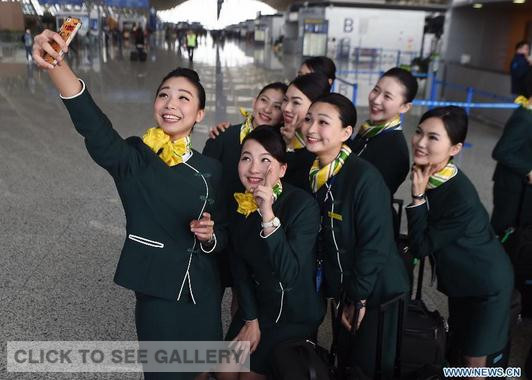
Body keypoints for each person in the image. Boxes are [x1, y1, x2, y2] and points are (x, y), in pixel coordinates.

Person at [33, 30, 227, 380]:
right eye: (164, 95)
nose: (171, 104)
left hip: (204, 290)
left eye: (184, 98)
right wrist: (56, 65)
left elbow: (226, 232)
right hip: (159, 290)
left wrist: (210, 237)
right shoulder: (136, 157)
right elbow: (96, 129)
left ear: (200, 114)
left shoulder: (211, 168)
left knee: (201, 369)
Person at [301, 93, 409, 378]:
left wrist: (358, 298)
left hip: (376, 291)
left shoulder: (363, 178)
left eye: (323, 122)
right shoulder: (315, 172)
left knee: (367, 364)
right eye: (309, 119)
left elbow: (375, 244)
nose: (311, 128)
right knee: (347, 358)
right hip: (348, 287)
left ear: (346, 132)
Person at [407, 106, 514, 377]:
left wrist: (418, 199)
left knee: (473, 363)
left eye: (433, 137)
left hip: (487, 287)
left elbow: (422, 246)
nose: (420, 142)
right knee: (457, 350)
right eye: (419, 132)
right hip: (464, 283)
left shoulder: (459, 198)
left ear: (455, 148)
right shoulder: (434, 174)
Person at [219, 126, 325, 379]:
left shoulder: (302, 206)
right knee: (223, 371)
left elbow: (289, 274)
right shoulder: (240, 206)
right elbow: (239, 270)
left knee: (248, 377)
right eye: (246, 158)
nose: (254, 168)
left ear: (282, 169)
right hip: (259, 307)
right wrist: (251, 320)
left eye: (265, 159)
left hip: (294, 313)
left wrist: (268, 214)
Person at [203, 82, 287, 306]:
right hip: (221, 229)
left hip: (254, 234)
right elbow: (204, 183)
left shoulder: (280, 149)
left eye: (277, 106)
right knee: (211, 291)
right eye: (264, 100)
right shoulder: (224, 136)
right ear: (254, 102)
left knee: (245, 298)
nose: (268, 109)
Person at [348, 67, 417, 197]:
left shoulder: (394, 150)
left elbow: (371, 197)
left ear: (404, 107)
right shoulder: (369, 130)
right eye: (376, 90)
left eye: (387, 96)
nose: (376, 100)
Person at [492, 69, 532, 235]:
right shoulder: (525, 117)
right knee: (503, 233)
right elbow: (501, 152)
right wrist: (528, 170)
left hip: (521, 188)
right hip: (511, 188)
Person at [281, 73, 331, 192]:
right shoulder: (277, 133)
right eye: (285, 100)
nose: (286, 108)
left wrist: (289, 148)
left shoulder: (326, 144)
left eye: (296, 102)